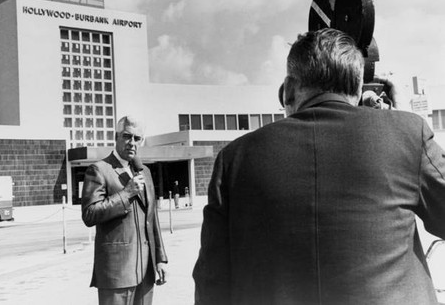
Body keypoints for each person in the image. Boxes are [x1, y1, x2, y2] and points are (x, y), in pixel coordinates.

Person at [193, 28, 445, 305]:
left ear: (287, 90)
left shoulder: (234, 158)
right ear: (358, 88)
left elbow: (212, 281)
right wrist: (401, 123)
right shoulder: (408, 134)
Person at [82, 116, 167, 305]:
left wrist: (160, 259)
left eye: (138, 139)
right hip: (117, 273)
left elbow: (152, 219)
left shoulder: (144, 171)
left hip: (146, 270)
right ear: (116, 137)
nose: (132, 143)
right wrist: (126, 194)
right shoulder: (99, 170)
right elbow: (89, 214)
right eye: (127, 136)